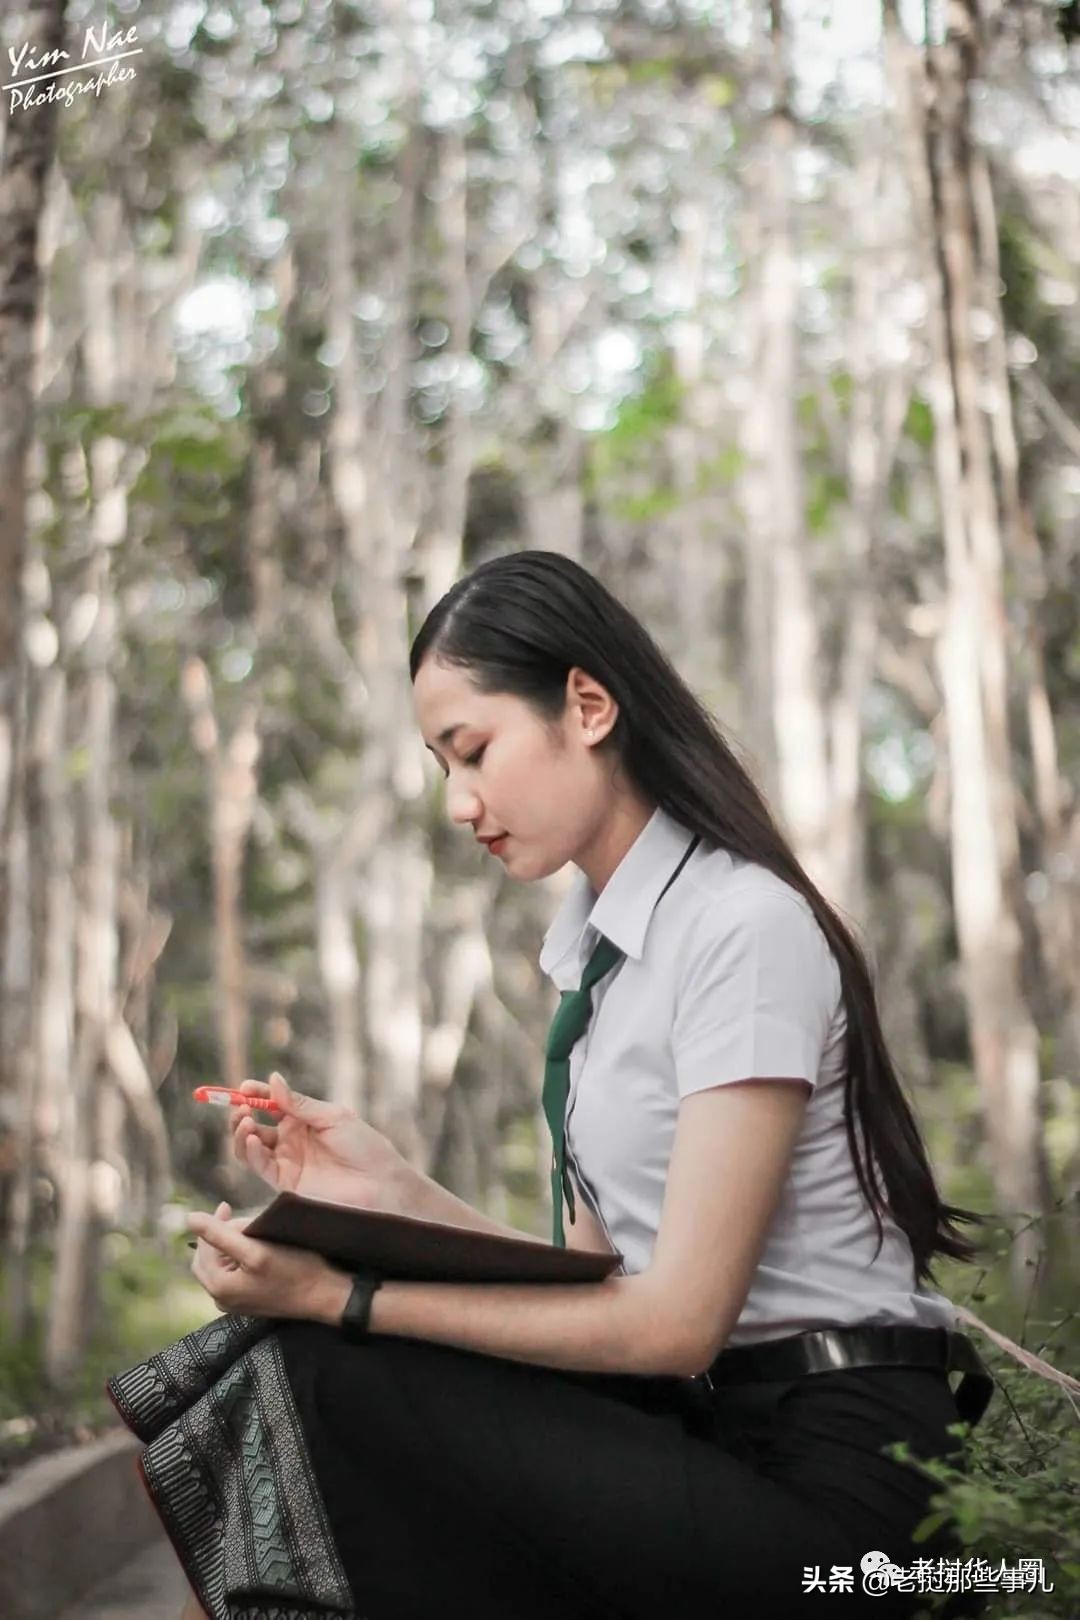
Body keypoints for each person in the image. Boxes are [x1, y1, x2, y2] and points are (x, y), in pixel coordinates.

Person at [108, 549, 995, 1620]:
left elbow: (672, 1326)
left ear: (586, 704)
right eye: (441, 767)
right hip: (704, 1438)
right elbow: (593, 1282)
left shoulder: (740, 927)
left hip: (846, 1498)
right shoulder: (596, 960)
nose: (457, 803)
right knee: (308, 1360)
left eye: (471, 751)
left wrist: (347, 1297)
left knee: (331, 1363)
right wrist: (389, 1195)